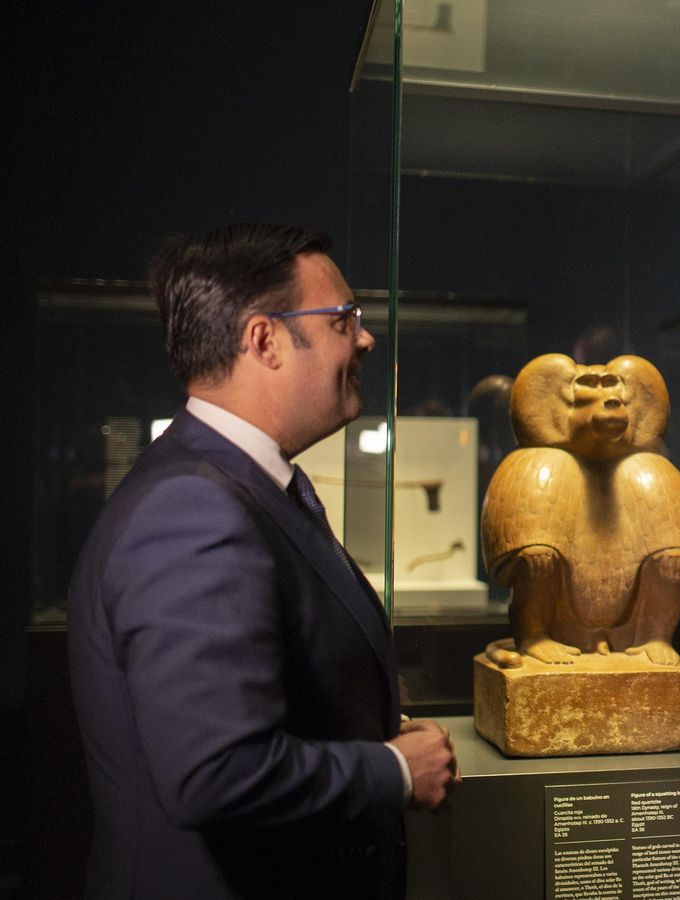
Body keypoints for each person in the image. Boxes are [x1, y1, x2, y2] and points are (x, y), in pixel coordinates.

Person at [68, 223, 461, 898]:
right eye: (343, 320)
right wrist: (393, 771)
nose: (364, 339)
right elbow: (216, 773)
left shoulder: (234, 488)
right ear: (264, 339)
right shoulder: (192, 509)